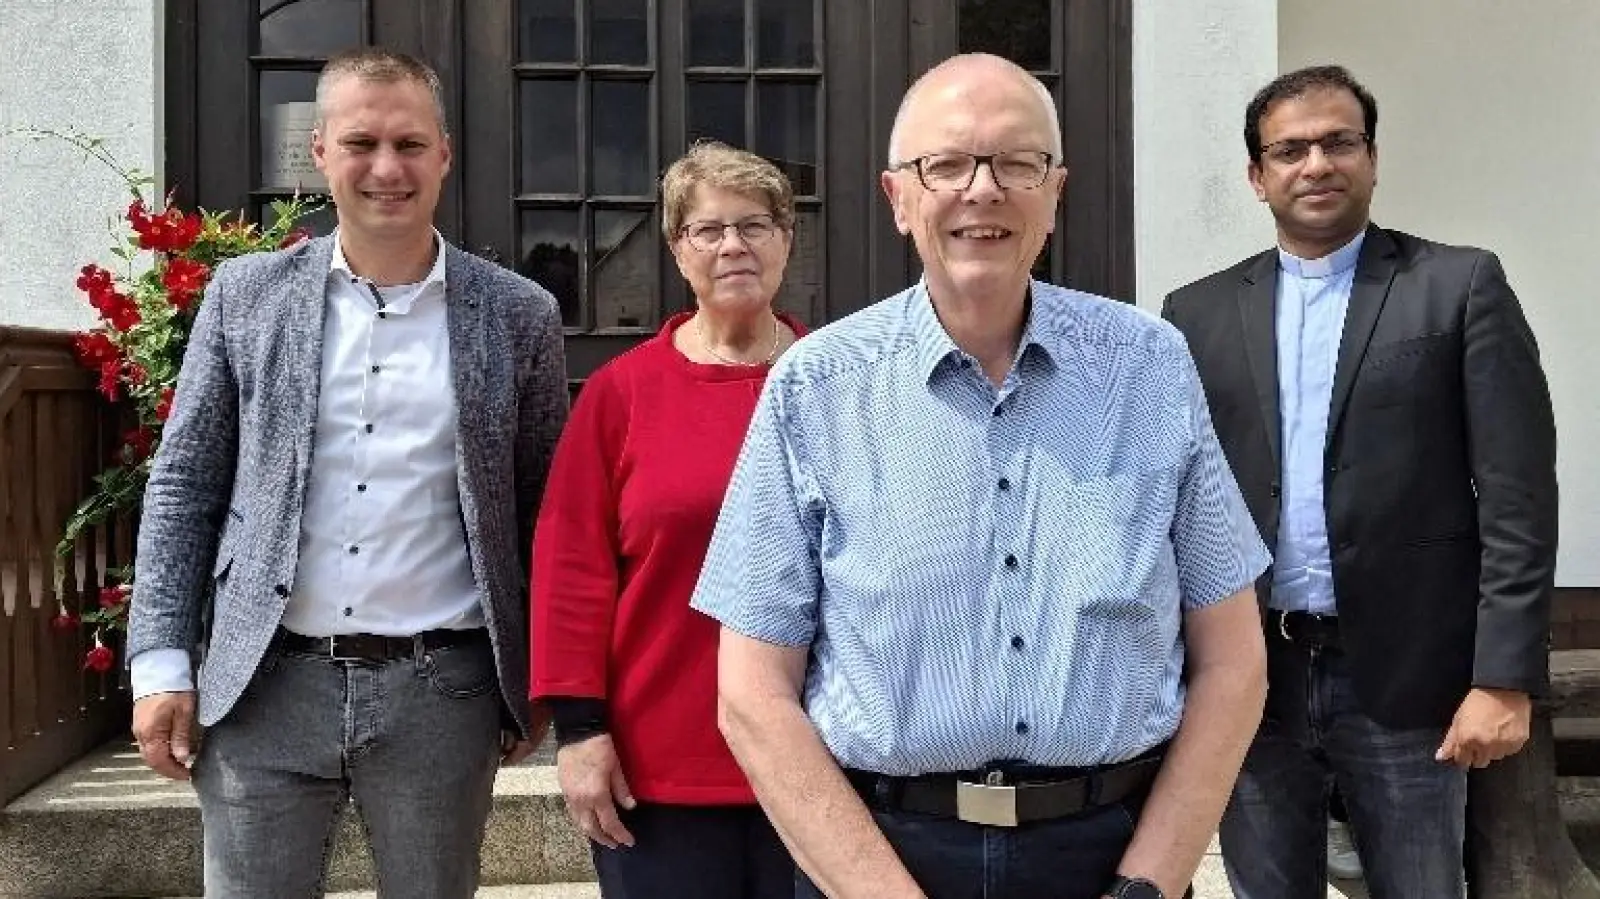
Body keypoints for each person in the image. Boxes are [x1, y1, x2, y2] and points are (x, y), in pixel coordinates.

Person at [688, 53, 1271, 899]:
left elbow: (1232, 661)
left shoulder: (1150, 368)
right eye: (947, 164)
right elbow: (751, 694)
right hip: (882, 855)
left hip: (1110, 854)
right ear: (898, 199)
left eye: (1017, 162)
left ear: (1056, 191)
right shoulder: (816, 388)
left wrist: (1152, 881)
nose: (982, 189)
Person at [126, 47, 569, 898]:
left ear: (443, 153)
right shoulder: (244, 296)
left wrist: (543, 677)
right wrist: (160, 664)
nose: (386, 168)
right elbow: (185, 484)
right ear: (320, 151)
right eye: (361, 142)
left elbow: (541, 508)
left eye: (409, 144)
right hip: (264, 688)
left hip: (442, 693)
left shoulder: (519, 314)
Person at [1161, 64, 1559, 899]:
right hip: (1250, 679)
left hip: (1408, 679)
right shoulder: (1194, 314)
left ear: (1372, 158)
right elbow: (1172, 501)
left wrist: (1504, 676)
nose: (1317, 164)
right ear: (1256, 175)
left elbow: (1519, 497)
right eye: (1291, 149)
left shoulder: (1457, 286)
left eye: (1339, 142)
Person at [530, 140, 805, 898]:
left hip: (818, 760)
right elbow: (572, 569)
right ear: (678, 249)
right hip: (659, 768)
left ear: (786, 238)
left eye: (755, 224)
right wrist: (580, 731)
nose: (733, 245)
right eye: (708, 229)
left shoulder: (837, 380)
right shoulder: (622, 393)